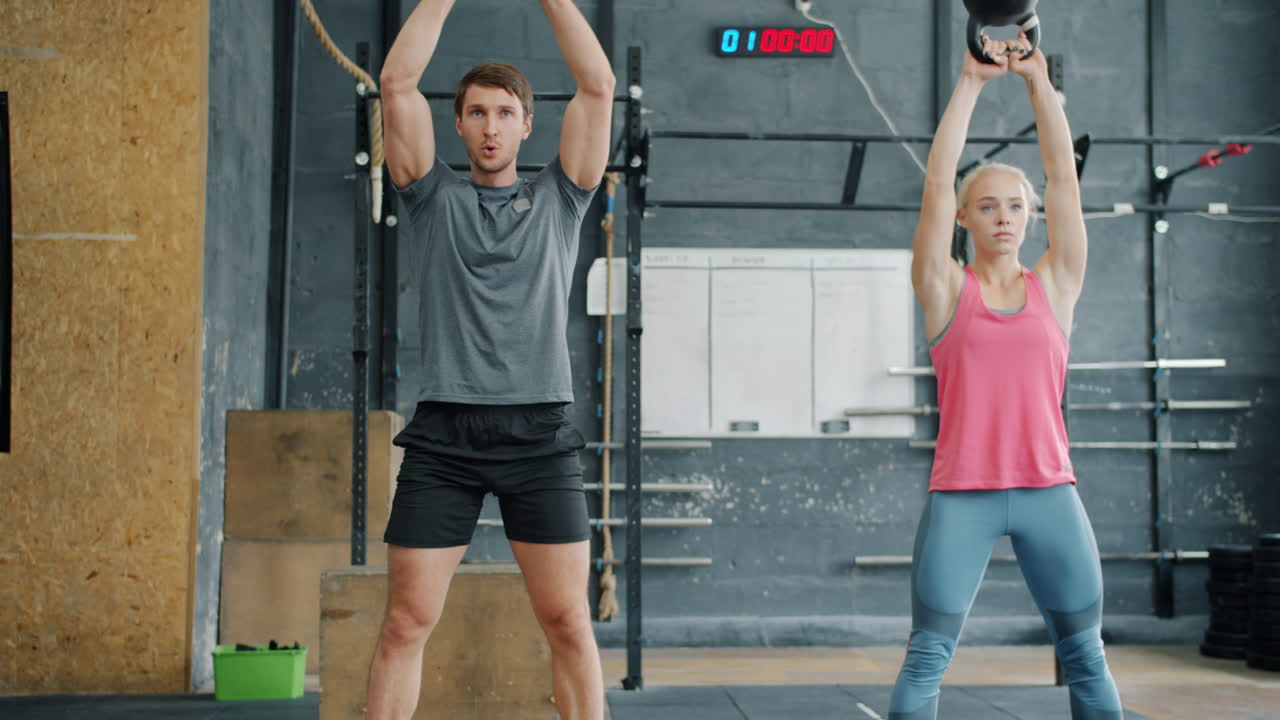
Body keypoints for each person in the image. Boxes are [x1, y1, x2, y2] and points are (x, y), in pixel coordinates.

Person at [367, 1, 615, 718]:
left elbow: (596, 86)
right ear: (460, 124)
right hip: (445, 436)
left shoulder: (562, 198)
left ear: (526, 124)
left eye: (505, 112)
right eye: (476, 113)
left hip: (538, 437)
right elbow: (396, 83)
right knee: (407, 622)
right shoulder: (431, 198)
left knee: (568, 622)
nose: (490, 126)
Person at [889, 34, 1124, 720]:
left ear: (1031, 218)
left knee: (1086, 655)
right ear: (964, 218)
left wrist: (1037, 83)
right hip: (962, 495)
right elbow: (937, 180)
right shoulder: (943, 288)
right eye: (987, 206)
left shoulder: (1057, 283)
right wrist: (970, 81)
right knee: (927, 659)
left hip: (1051, 490)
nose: (1003, 217)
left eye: (1015, 206)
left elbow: (1064, 175)